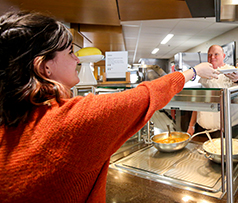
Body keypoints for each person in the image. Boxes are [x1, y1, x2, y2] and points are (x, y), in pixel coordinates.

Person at [0, 11, 218, 203]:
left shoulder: (12, 118)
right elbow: (145, 96)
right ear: (44, 66)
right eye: (69, 52)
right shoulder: (70, 122)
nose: (77, 59)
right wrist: (193, 72)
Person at [187, 44, 238, 137]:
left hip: (231, 130)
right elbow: (198, 103)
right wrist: (191, 125)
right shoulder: (203, 74)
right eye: (209, 55)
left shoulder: (232, 71)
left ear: (223, 56)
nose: (212, 57)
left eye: (216, 54)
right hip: (205, 130)